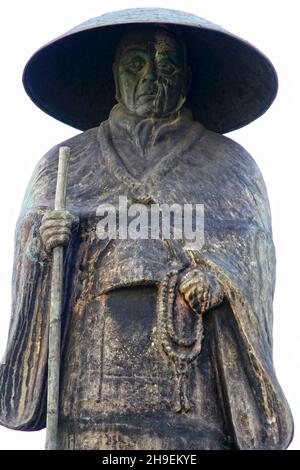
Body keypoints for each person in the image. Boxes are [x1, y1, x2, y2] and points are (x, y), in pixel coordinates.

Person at [0, 8, 293, 449]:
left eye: (167, 66)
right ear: (114, 75)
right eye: (136, 65)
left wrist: (220, 280)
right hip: (89, 389)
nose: (151, 79)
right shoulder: (66, 163)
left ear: (187, 77)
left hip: (190, 390)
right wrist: (43, 246)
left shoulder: (230, 165)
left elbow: (250, 248)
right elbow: (32, 245)